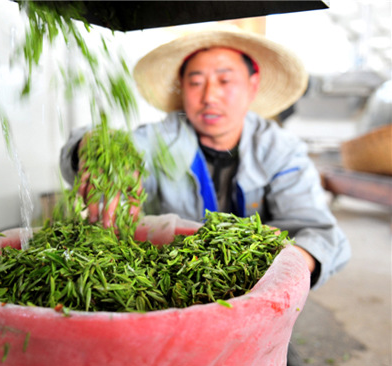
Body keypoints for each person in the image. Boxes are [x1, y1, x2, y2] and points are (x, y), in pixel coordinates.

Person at [60, 25, 350, 291]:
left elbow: (320, 232)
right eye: (196, 82)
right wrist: (93, 146)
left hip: (261, 290)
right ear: (182, 89)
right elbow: (119, 147)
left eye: (225, 80)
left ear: (252, 85)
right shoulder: (160, 140)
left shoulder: (281, 150)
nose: (210, 96)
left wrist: (291, 262)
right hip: (168, 287)